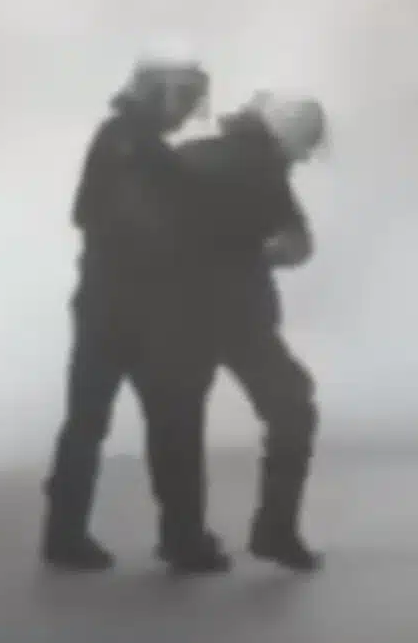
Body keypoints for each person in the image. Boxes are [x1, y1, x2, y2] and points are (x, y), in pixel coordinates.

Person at [41, 46, 231, 574]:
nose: (188, 111)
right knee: (173, 424)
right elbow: (111, 218)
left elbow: (92, 215)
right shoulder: (136, 148)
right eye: (185, 98)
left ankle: (65, 535)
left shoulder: (124, 141)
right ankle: (182, 539)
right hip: (141, 314)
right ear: (159, 94)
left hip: (106, 307)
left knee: (89, 424)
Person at [168, 91, 329, 572]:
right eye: (303, 147)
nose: (302, 159)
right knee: (292, 407)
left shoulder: (188, 153)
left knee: (178, 420)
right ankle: (275, 531)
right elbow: (298, 246)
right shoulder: (265, 173)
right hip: (238, 315)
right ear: (287, 138)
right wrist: (257, 257)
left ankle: (182, 540)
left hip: (172, 310)